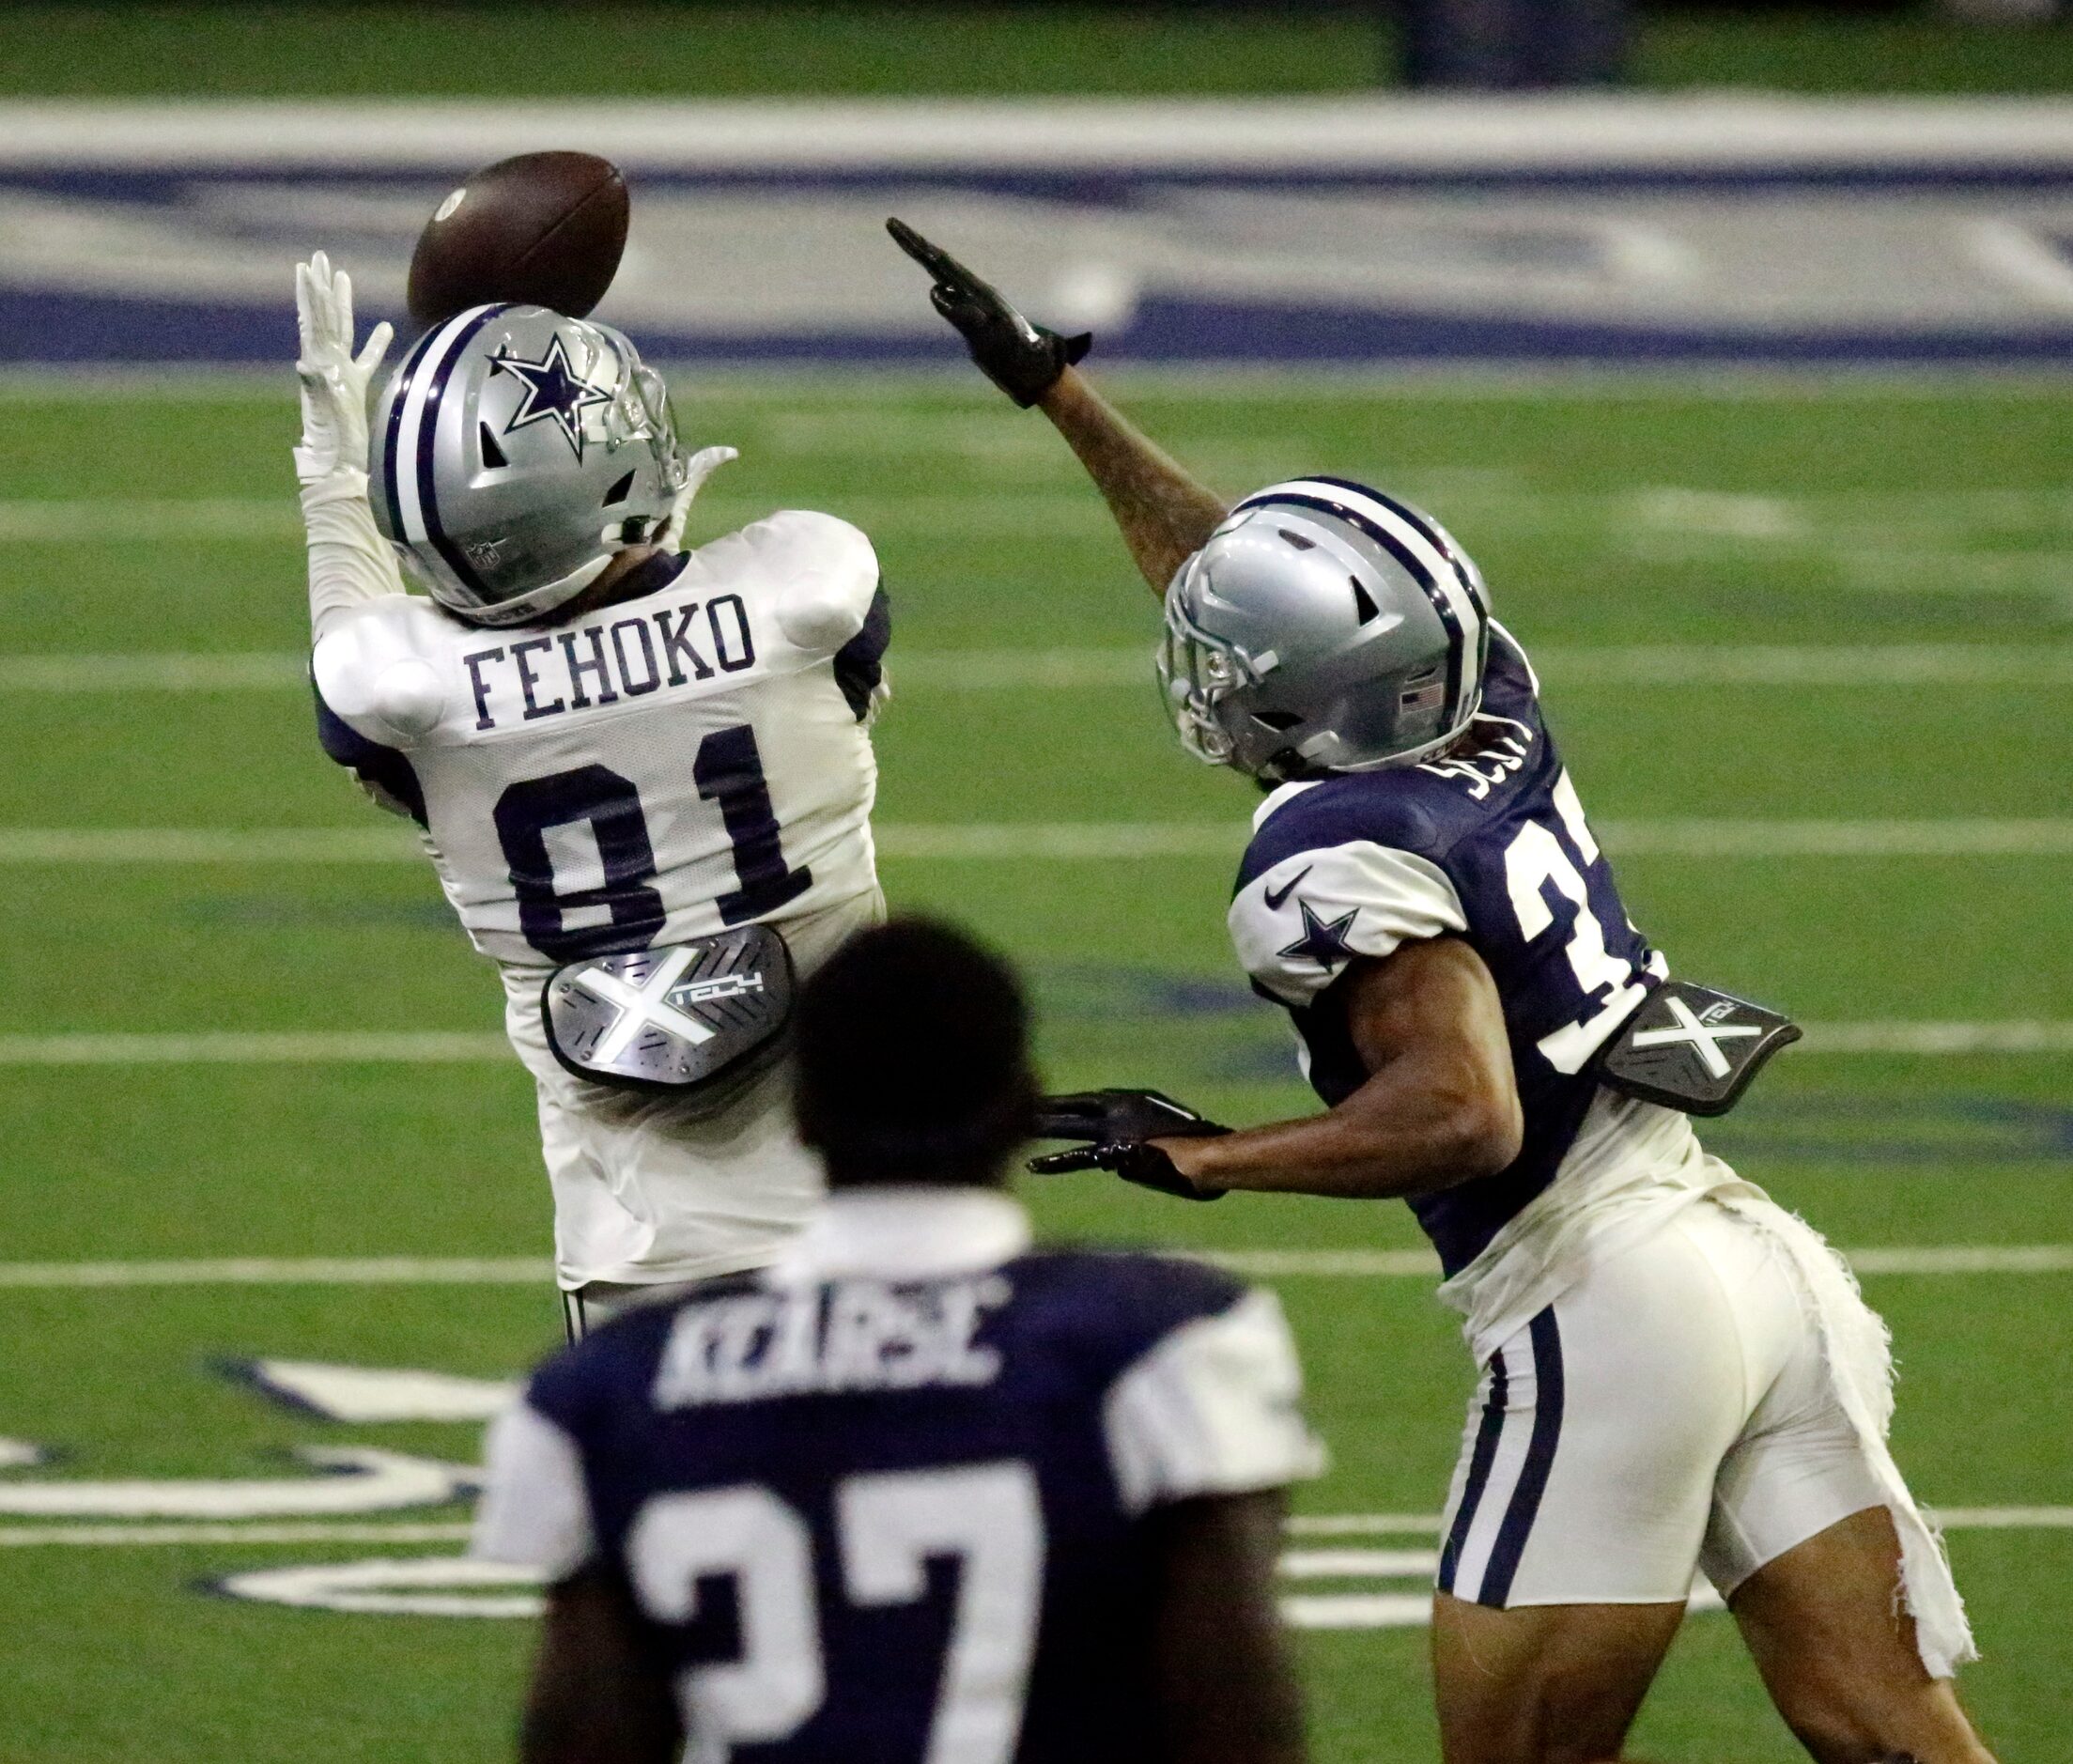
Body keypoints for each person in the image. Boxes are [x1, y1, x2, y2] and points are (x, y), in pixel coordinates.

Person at [888, 222, 1995, 1764]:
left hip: (1598, 1299)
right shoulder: (1485, 692)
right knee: (1890, 1734)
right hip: (1743, 1260)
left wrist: (1204, 1152)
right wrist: (1061, 399)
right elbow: (1269, 600)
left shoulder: (1326, 844)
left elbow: (1461, 1112)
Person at [472, 917, 1321, 1764]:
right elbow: (1233, 1712)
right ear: (1020, 1102)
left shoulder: (608, 1389)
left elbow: (588, 1733)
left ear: (802, 1116)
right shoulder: (1156, 1343)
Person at [292, 255, 890, 1337]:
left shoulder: (407, 694)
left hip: (636, 1266)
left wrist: (329, 481)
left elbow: (356, 658)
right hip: (874, 1222)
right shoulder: (800, 595)